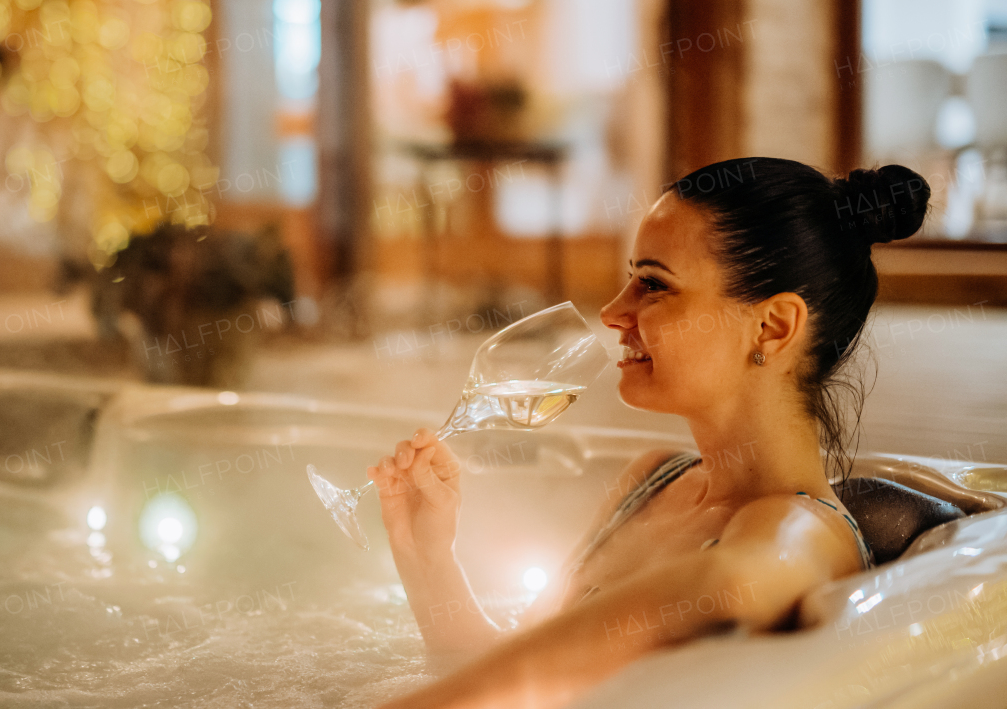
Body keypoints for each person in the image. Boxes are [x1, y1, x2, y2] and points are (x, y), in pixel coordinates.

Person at [367, 158, 931, 709]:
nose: (613, 311)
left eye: (653, 285)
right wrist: (428, 558)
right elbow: (514, 674)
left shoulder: (798, 526)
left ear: (772, 326)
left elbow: (734, 582)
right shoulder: (651, 480)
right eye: (629, 277)